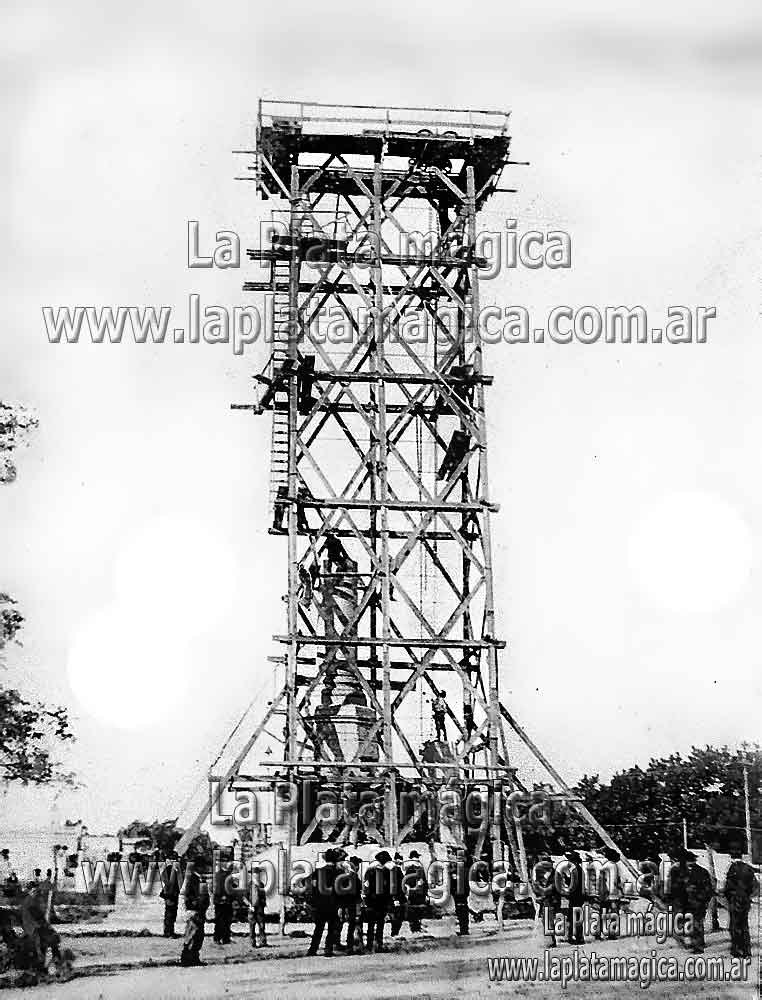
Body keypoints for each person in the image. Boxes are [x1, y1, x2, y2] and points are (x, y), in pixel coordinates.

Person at [723, 848, 759, 959]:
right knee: (744, 925)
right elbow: (755, 886)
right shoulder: (748, 869)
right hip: (745, 900)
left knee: (735, 925)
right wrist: (748, 896)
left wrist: (728, 897)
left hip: (735, 900)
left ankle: (737, 950)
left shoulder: (732, 868)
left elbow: (728, 887)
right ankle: (747, 951)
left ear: (731, 857)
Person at [307, 848, 341, 957]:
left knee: (318, 928)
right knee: (332, 928)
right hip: (334, 904)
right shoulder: (339, 873)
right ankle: (328, 949)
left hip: (320, 904)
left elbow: (311, 886)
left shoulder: (318, 872)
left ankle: (313, 949)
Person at [19, 883, 61, 972]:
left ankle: (53, 962)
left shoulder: (32, 900)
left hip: (34, 926)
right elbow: (37, 916)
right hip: (33, 927)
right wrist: (45, 924)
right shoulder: (30, 901)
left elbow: (39, 916)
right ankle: (50, 963)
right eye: (33, 891)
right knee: (45, 943)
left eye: (36, 891)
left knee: (51, 940)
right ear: (29, 891)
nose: (35, 893)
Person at [363, 849, 396, 953]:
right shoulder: (386, 871)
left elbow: (366, 885)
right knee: (380, 924)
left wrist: (366, 898)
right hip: (382, 901)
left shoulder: (369, 870)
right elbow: (389, 888)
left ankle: (369, 945)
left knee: (371, 924)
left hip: (371, 900)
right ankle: (379, 944)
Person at [180, 864, 209, 968]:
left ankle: (194, 958)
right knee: (192, 935)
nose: (205, 868)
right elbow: (189, 896)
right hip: (195, 911)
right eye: (203, 866)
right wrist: (194, 907)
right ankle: (186, 959)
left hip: (200, 911)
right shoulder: (193, 879)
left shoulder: (201, 879)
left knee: (198, 936)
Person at [336, 855, 363, 954]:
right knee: (352, 924)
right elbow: (357, 890)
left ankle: (337, 943)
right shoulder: (354, 876)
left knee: (340, 924)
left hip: (342, 903)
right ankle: (350, 945)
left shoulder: (342, 875)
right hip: (351, 903)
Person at [531, 853, 558, 946]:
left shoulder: (552, 872)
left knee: (548, 919)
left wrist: (543, 893)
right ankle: (551, 940)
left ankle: (550, 941)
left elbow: (554, 886)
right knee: (546, 919)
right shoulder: (542, 872)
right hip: (547, 898)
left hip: (550, 898)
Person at [560, 851, 585, 945]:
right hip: (578, 897)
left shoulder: (575, 870)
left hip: (575, 897)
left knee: (572, 917)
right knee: (576, 917)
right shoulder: (578, 869)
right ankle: (578, 937)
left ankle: (573, 937)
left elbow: (573, 885)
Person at [403, 851, 428, 934]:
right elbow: (424, 881)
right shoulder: (418, 867)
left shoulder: (410, 868)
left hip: (414, 892)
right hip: (418, 892)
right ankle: (416, 927)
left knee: (414, 909)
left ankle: (415, 926)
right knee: (417, 909)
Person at [449, 847, 470, 936]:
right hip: (463, 892)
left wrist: (452, 891)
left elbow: (453, 882)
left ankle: (464, 929)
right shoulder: (467, 869)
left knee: (461, 910)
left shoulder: (457, 870)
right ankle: (464, 928)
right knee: (463, 909)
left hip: (459, 892)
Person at [160, 852, 181, 938]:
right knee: (170, 914)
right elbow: (165, 879)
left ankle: (169, 931)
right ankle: (168, 932)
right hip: (170, 894)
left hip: (172, 894)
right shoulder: (169, 869)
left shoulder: (172, 869)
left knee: (172, 913)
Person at [213, 863, 234, 945]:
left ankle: (226, 938)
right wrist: (222, 896)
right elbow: (217, 888)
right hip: (220, 901)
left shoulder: (229, 875)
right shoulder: (219, 875)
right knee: (219, 921)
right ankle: (217, 938)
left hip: (228, 901)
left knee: (227, 921)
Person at [248, 869, 268, 949]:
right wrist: (249, 905)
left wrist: (264, 904)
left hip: (260, 907)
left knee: (262, 925)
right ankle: (253, 943)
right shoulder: (249, 885)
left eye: (258, 874)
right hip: (252, 908)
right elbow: (244, 897)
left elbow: (263, 896)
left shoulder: (261, 884)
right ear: (252, 875)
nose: (256, 875)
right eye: (255, 874)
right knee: (252, 926)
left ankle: (263, 942)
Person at [389, 854, 406, 936]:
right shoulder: (395, 870)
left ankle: (395, 932)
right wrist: (395, 898)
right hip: (397, 897)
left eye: (401, 860)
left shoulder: (398, 870)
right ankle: (394, 932)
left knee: (399, 915)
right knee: (397, 916)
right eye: (399, 860)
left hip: (399, 896)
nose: (400, 861)